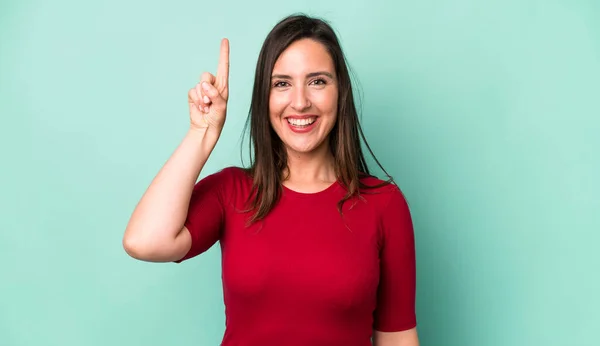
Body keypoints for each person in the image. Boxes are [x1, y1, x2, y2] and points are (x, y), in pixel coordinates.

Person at [123, 14, 419, 346]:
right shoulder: (231, 192)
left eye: (317, 81)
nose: (300, 101)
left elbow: (397, 337)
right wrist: (202, 133)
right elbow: (144, 241)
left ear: (341, 92)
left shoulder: (384, 203)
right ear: (265, 97)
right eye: (282, 83)